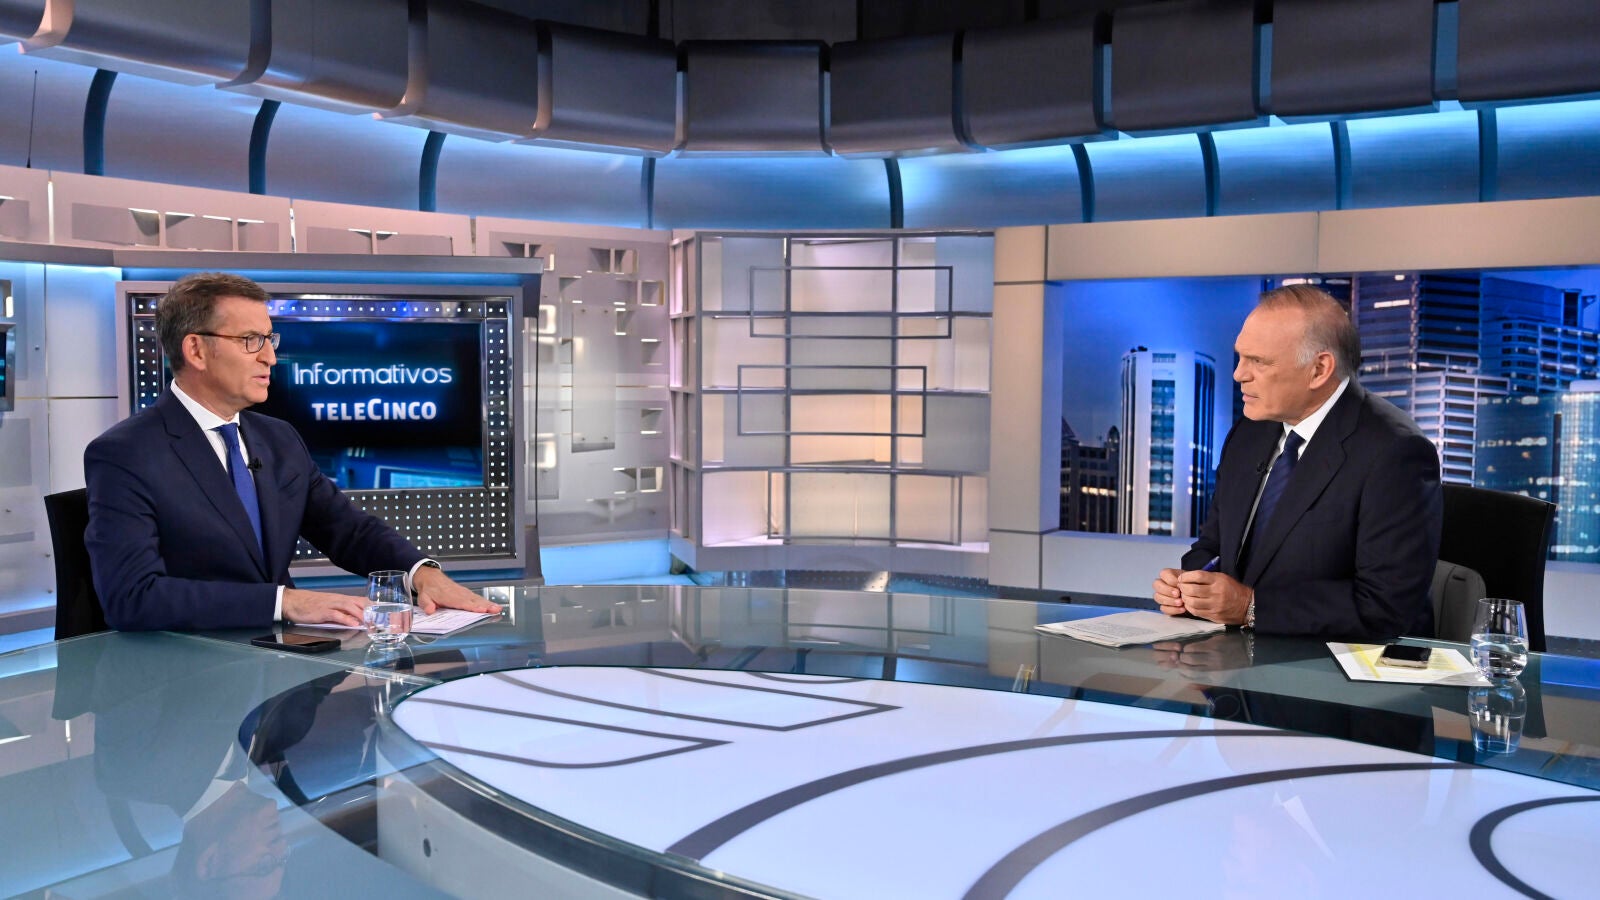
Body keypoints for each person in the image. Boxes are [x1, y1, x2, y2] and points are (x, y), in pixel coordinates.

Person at [85, 272, 501, 630]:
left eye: (269, 339)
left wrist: (421, 574)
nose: (271, 357)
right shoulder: (126, 454)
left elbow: (347, 530)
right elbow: (132, 597)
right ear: (196, 350)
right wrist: (284, 602)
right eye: (251, 340)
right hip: (188, 671)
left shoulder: (278, 438)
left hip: (283, 661)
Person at [1152, 284, 1441, 641]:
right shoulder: (1248, 434)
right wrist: (1191, 586)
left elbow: (1385, 606)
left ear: (1319, 369)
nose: (1239, 374)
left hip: (1338, 668)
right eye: (1240, 357)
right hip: (1239, 658)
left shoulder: (1396, 451)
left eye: (1258, 361)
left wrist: (1250, 606)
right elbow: (1213, 547)